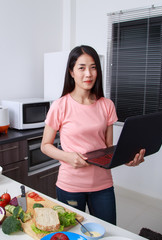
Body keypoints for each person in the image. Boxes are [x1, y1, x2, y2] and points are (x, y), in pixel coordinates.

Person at [40, 45, 145, 225]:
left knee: (107, 232)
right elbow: (45, 145)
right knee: (72, 232)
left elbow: (108, 148)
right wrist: (67, 156)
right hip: (70, 185)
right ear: (71, 72)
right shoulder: (60, 105)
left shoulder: (107, 105)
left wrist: (126, 158)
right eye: (81, 68)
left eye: (93, 67)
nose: (88, 74)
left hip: (102, 184)